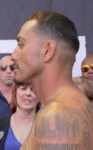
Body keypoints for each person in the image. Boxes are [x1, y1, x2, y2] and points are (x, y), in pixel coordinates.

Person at [11, 11, 93, 149]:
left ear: (48, 51)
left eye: (21, 44)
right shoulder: (63, 106)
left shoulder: (58, 117)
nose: (14, 55)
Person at [0, 83, 40, 150]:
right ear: (15, 93)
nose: (28, 93)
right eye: (23, 89)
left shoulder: (49, 128)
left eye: (33, 89)